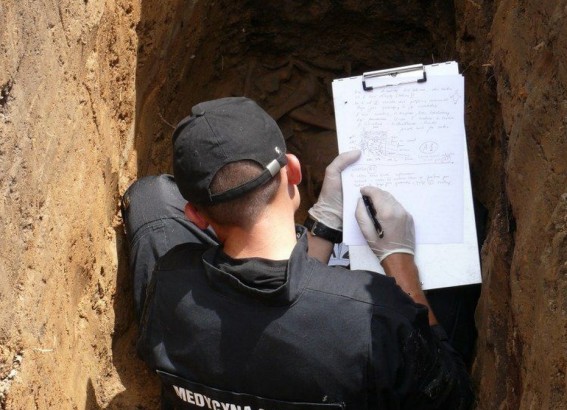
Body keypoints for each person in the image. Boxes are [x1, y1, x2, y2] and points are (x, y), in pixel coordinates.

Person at [122, 97, 473, 409]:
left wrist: (320, 230)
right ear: (292, 170)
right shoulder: (375, 315)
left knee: (150, 198)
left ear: (196, 216)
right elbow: (454, 397)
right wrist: (400, 259)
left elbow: (273, 315)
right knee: (462, 263)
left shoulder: (167, 284)